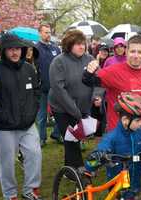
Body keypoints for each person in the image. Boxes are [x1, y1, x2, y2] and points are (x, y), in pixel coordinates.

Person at [0, 33, 42, 200]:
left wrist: (31, 113)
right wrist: (3, 117)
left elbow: (35, 93)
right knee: (7, 164)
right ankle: (10, 194)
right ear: (4, 51)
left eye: (18, 49)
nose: (15, 52)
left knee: (35, 154)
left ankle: (30, 191)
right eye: (10, 49)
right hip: (4, 127)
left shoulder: (29, 68)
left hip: (27, 125)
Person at [83, 34, 141, 132]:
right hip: (118, 132)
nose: (136, 56)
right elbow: (87, 81)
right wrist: (88, 71)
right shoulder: (114, 71)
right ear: (126, 52)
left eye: (140, 52)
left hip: (140, 129)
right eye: (132, 51)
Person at [86, 92, 141, 200]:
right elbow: (93, 161)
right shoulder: (111, 137)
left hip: (135, 181)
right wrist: (99, 155)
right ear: (125, 120)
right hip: (116, 184)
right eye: (138, 120)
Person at [49, 30, 96, 169]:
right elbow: (59, 89)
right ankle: (77, 169)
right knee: (71, 138)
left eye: (83, 44)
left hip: (83, 107)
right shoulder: (58, 62)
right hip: (62, 109)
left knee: (75, 138)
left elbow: (98, 80)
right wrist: (75, 111)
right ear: (69, 45)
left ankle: (69, 167)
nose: (82, 47)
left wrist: (96, 97)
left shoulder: (89, 59)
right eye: (77, 44)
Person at [34, 23, 61, 146]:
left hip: (56, 87)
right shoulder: (35, 49)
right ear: (40, 33)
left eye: (49, 32)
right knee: (42, 116)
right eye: (45, 32)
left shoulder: (56, 48)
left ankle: (56, 134)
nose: (48, 35)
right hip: (42, 88)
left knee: (60, 113)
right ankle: (41, 138)